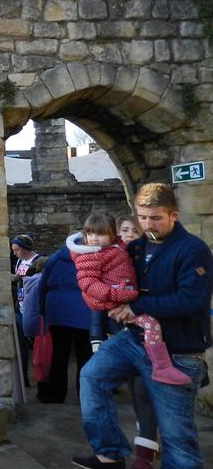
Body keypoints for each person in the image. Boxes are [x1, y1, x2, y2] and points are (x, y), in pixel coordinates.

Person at [74, 184, 213, 469]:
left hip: (179, 351)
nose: (148, 224)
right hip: (135, 340)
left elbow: (192, 299)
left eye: (155, 218)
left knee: (177, 438)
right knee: (91, 377)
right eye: (142, 217)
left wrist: (136, 307)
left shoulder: (192, 249)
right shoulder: (135, 248)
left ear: (173, 215)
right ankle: (110, 455)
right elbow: (111, 274)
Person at [68, 212, 189, 386]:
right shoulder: (93, 255)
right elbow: (90, 286)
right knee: (149, 326)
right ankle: (161, 367)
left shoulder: (120, 250)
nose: (94, 238)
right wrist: (119, 295)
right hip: (117, 306)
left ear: (111, 236)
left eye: (135, 230)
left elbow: (155, 239)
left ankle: (157, 367)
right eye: (125, 230)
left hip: (128, 304)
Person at [90, 215, 159, 469]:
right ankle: (114, 451)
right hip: (118, 334)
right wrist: (97, 336)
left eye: (134, 230)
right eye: (125, 230)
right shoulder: (110, 258)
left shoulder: (148, 260)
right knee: (129, 388)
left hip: (148, 335)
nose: (129, 234)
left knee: (143, 390)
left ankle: (145, 451)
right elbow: (98, 299)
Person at [34, 236, 93, 403]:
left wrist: (43, 309)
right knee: (85, 356)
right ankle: (85, 396)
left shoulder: (55, 259)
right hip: (85, 312)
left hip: (57, 312)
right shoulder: (91, 258)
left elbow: (42, 286)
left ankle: (56, 394)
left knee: (59, 356)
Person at [10, 234, 41, 386]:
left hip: (33, 309)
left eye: (17, 250)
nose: (14, 253)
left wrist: (17, 279)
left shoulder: (38, 261)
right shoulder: (20, 261)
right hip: (20, 307)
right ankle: (24, 379)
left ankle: (41, 377)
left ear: (25, 248)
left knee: (37, 345)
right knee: (20, 345)